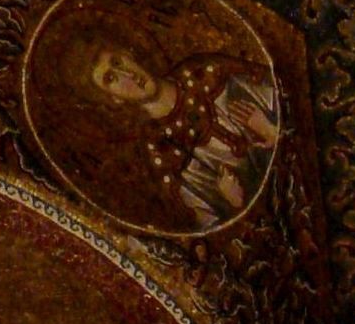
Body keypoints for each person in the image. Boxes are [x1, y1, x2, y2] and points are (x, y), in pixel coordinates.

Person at [64, 32, 280, 231]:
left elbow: (285, 91)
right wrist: (234, 204)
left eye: (117, 62)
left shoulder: (205, 72)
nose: (127, 75)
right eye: (111, 78)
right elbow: (210, 228)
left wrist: (273, 130)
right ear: (114, 99)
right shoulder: (160, 153)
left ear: (129, 54)